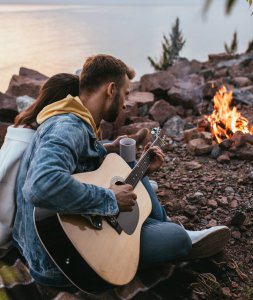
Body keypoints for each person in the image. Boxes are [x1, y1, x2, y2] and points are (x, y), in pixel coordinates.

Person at [12, 54, 230, 291]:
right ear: (111, 89)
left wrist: (112, 149)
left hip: (58, 242)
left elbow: (79, 159)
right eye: (126, 94)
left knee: (126, 163)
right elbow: (42, 185)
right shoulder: (67, 127)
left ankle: (153, 227)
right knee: (177, 239)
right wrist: (110, 198)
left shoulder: (76, 119)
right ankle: (170, 232)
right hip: (60, 261)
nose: (126, 103)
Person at [0, 72, 148, 246]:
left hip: (31, 215)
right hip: (20, 230)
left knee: (106, 148)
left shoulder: (26, 127)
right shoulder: (51, 134)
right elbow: (44, 188)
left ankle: (124, 157)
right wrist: (110, 197)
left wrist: (108, 148)